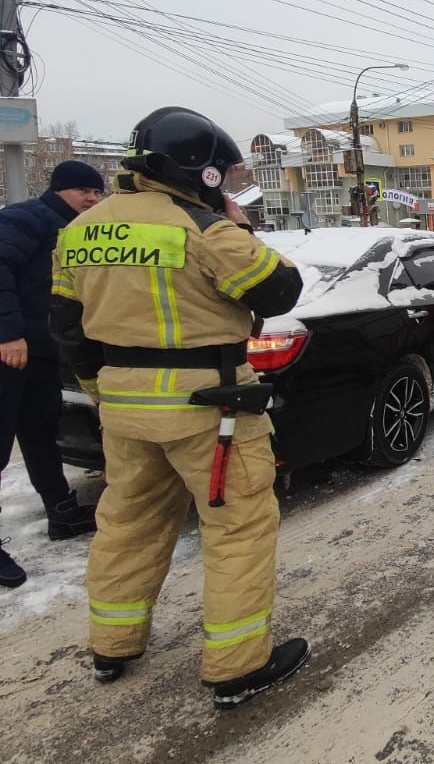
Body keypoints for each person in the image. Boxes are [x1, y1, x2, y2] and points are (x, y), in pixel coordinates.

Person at [50, 108, 309, 710]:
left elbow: (65, 326)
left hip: (122, 406)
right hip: (209, 410)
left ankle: (112, 644)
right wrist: (238, 228)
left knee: (127, 521)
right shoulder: (202, 228)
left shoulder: (82, 228)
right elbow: (279, 289)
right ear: (203, 171)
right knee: (237, 529)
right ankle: (237, 663)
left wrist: (100, 389)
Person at [0, 161, 105, 589]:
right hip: (9, 352)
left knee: (41, 430)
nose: (93, 200)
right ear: (61, 190)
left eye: (97, 194)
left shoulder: (75, 227)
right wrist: (7, 334)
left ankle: (61, 511)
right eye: (85, 191)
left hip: (41, 355)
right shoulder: (27, 217)